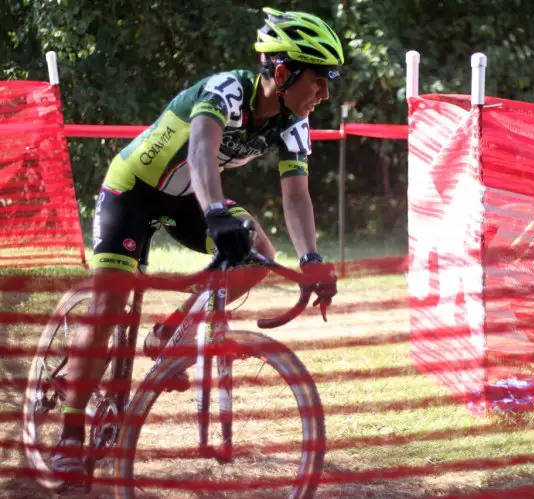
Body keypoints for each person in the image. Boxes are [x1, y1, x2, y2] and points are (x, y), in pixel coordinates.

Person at [50, 6, 342, 484]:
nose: (326, 93)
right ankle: (70, 429)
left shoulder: (293, 121)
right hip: (133, 190)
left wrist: (310, 258)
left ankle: (169, 333)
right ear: (284, 72)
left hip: (188, 197)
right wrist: (215, 213)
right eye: (320, 79)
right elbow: (201, 150)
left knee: (257, 255)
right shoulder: (226, 90)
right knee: (110, 300)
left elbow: (296, 193)